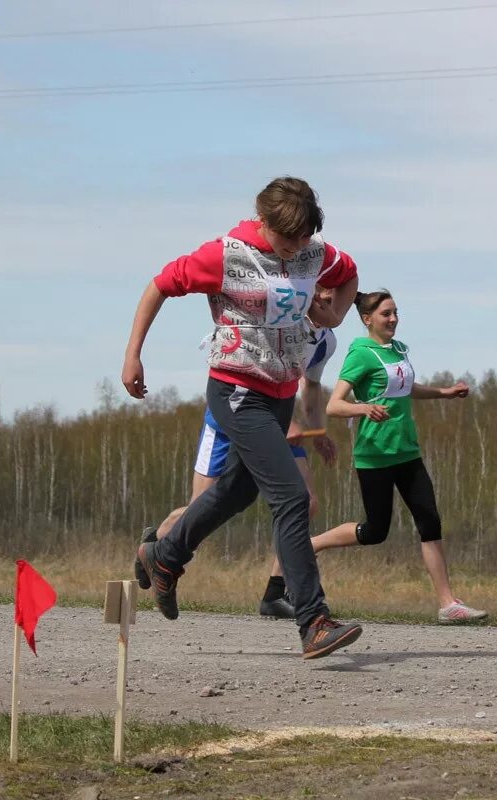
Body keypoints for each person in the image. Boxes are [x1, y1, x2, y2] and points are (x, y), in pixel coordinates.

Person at [121, 176, 363, 659]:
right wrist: (133, 355)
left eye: (304, 238)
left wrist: (333, 314)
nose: (297, 249)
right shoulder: (226, 256)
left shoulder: (315, 253)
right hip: (235, 389)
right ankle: (313, 620)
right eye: (288, 238)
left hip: (280, 391)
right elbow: (159, 286)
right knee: (293, 497)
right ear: (266, 223)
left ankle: (164, 557)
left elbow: (348, 273)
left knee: (234, 491)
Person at [134, 298, 340, 620]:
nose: (332, 307)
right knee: (202, 505)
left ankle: (275, 592)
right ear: (311, 292)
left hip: (280, 421)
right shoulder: (279, 315)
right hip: (233, 412)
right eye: (325, 298)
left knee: (304, 501)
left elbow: (309, 387)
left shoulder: (326, 340)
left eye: (337, 301)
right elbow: (240, 367)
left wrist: (318, 431)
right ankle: (157, 543)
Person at [316, 289, 488, 623]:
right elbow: (333, 405)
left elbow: (406, 389)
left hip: (407, 451)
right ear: (368, 319)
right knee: (376, 531)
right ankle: (313, 545)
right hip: (375, 454)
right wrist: (364, 408)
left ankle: (448, 604)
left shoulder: (397, 350)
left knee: (430, 521)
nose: (393, 319)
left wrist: (444, 393)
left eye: (395, 313)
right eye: (386, 314)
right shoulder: (361, 354)